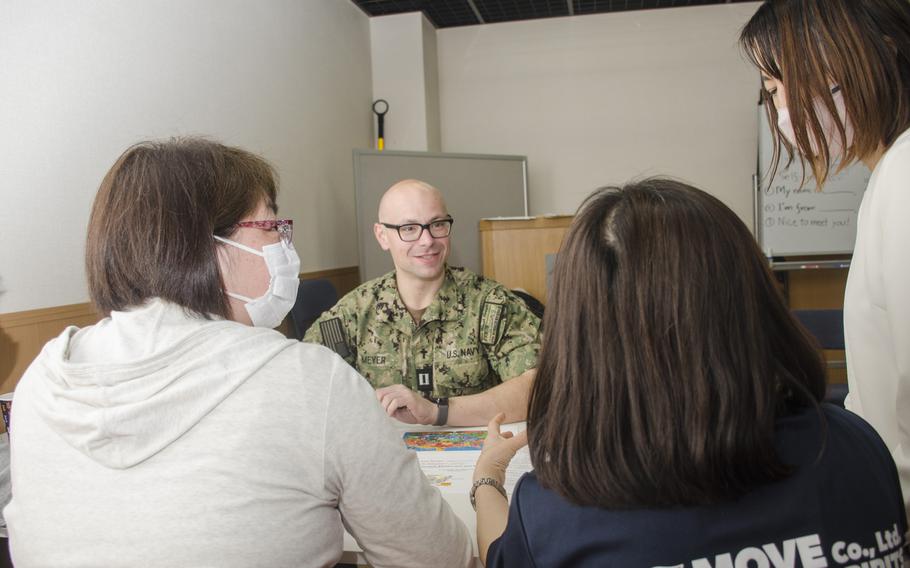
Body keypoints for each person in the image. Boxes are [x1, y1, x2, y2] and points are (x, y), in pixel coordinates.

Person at [5, 139, 472, 568]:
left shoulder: (39, 383)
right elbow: (437, 557)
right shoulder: (309, 382)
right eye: (272, 226)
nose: (285, 245)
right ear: (208, 246)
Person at [472, 179, 908, 566]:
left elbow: (502, 554)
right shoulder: (854, 446)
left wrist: (488, 477)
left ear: (578, 340)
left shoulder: (561, 508)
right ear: (753, 298)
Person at [740, 0, 910, 520]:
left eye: (783, 86)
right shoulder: (889, 175)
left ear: (864, 56)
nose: (782, 113)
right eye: (771, 93)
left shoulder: (905, 180)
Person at [305, 179, 540, 427]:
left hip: (474, 460)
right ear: (382, 236)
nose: (427, 240)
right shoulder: (353, 313)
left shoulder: (490, 305)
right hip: (386, 459)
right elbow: (305, 386)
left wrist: (438, 411)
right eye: (409, 228)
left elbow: (538, 388)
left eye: (437, 225)